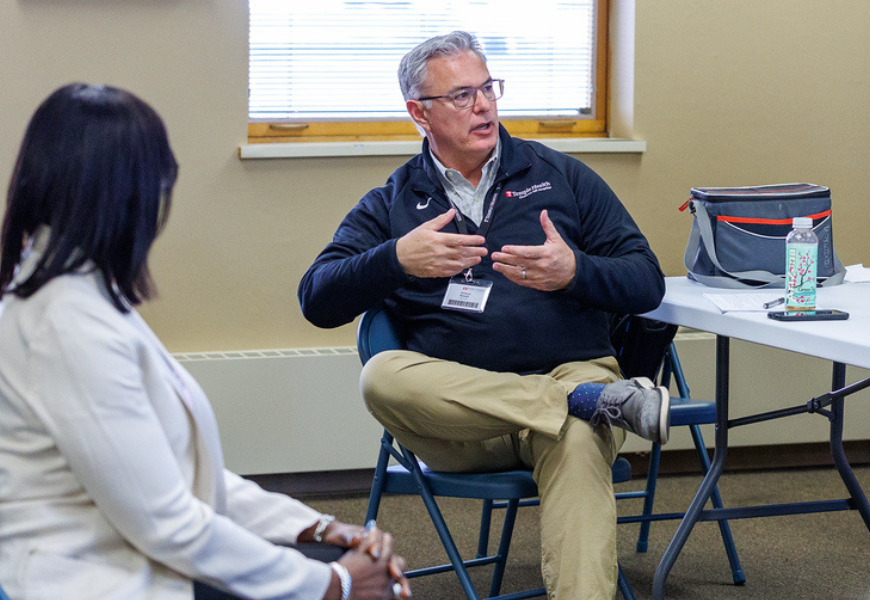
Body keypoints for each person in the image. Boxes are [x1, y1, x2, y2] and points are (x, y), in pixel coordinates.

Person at [0, 83, 409, 600]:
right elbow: (168, 523)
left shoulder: (80, 295)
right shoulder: (66, 326)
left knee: (354, 572)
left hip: (130, 556)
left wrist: (317, 527)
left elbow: (182, 477)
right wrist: (333, 583)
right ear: (126, 198)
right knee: (363, 586)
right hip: (90, 580)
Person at [298, 32, 668, 599]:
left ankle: (577, 401)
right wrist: (397, 259)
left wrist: (576, 271)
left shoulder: (562, 176)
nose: (484, 106)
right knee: (381, 377)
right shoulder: (393, 202)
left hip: (571, 369)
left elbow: (646, 280)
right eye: (462, 95)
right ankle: (581, 403)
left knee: (575, 439)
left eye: (488, 88)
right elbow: (317, 298)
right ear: (419, 113)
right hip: (464, 422)